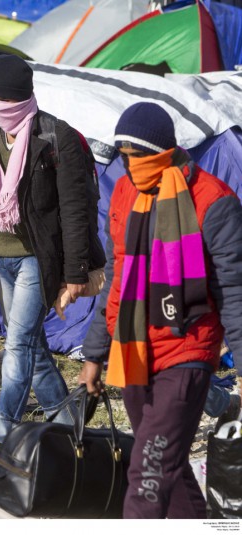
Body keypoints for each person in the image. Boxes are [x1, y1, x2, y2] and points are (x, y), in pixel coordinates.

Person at [79, 102, 242, 518]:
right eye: (122, 156)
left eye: (136, 156)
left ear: (160, 153)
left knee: (148, 470)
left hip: (187, 350)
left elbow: (234, 293)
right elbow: (117, 278)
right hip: (134, 350)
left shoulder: (214, 201)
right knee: (166, 462)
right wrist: (94, 354)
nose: (128, 165)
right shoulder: (124, 192)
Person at [0, 54, 104, 469]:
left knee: (17, 343)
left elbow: (74, 210)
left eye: (1, 99)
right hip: (0, 259)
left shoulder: (55, 136)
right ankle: (69, 425)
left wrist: (75, 272)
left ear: (20, 98)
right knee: (31, 345)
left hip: (38, 258)